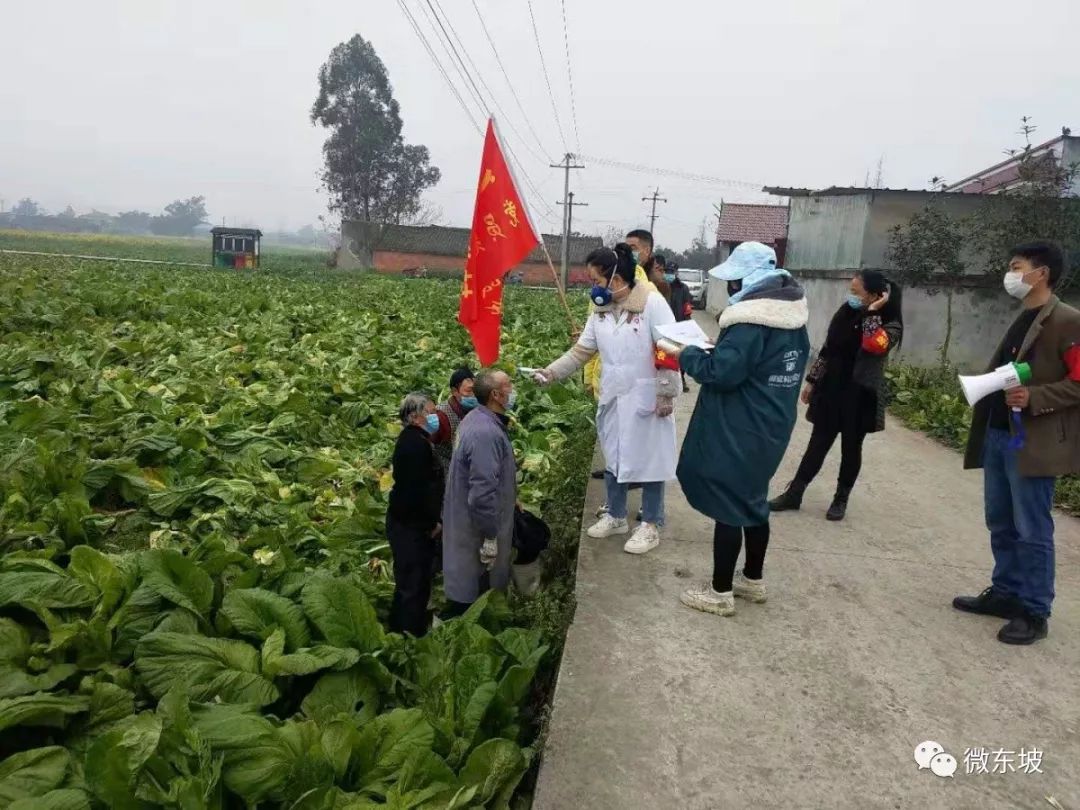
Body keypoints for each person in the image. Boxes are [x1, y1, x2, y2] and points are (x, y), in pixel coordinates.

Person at [668, 241, 810, 617]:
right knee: (753, 501)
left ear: (747, 280)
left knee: (729, 505)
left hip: (741, 426)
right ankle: (753, 579)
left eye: (734, 280)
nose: (731, 288)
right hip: (771, 424)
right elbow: (758, 363)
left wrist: (690, 354)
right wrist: (723, 348)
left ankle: (720, 592)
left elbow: (723, 373)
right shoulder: (791, 316)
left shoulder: (750, 320)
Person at [953, 240, 1080, 646]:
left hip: (1032, 439)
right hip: (999, 433)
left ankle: (1034, 610)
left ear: (1040, 273)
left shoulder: (1067, 321)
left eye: (1016, 266)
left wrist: (1036, 398)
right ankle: (1006, 592)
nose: (1010, 274)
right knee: (1001, 520)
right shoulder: (1024, 317)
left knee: (1032, 528)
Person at [535, 243, 679, 555]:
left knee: (650, 460)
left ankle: (651, 523)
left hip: (648, 395)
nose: (594, 288)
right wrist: (550, 373)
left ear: (614, 278)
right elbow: (582, 351)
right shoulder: (600, 312)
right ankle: (616, 515)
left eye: (596, 281)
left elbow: (670, 346)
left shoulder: (651, 303)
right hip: (614, 393)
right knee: (614, 454)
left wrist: (667, 391)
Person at [769, 269, 904, 521]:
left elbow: (873, 345)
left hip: (860, 394)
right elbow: (828, 348)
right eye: (850, 290)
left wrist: (873, 312)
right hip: (832, 389)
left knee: (851, 449)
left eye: (856, 292)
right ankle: (794, 493)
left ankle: (840, 499)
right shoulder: (845, 312)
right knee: (817, 444)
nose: (850, 296)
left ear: (876, 295)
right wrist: (812, 381)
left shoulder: (889, 324)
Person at [440, 370, 519, 617]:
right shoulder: (486, 432)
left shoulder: (475, 419)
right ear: (495, 395)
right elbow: (482, 492)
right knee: (474, 598)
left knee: (467, 588)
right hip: (474, 528)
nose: (513, 390)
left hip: (465, 519)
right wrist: (490, 535)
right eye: (509, 385)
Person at [386, 393, 444, 636]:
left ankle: (406, 629)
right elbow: (415, 492)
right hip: (410, 526)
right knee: (412, 584)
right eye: (430, 412)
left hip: (409, 523)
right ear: (414, 416)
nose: (435, 416)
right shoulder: (414, 445)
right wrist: (430, 523)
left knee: (415, 582)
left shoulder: (416, 440)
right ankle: (405, 636)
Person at [433, 368, 476, 475]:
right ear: (455, 392)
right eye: (469, 391)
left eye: (476, 391)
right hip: (446, 471)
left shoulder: (477, 408)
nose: (473, 395)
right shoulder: (441, 415)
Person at [668, 261, 695, 393]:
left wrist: (687, 325)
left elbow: (687, 307)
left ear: (676, 273)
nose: (669, 274)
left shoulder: (683, 288)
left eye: (672, 272)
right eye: (667, 271)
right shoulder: (661, 286)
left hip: (679, 325)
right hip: (664, 325)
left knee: (680, 354)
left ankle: (681, 378)